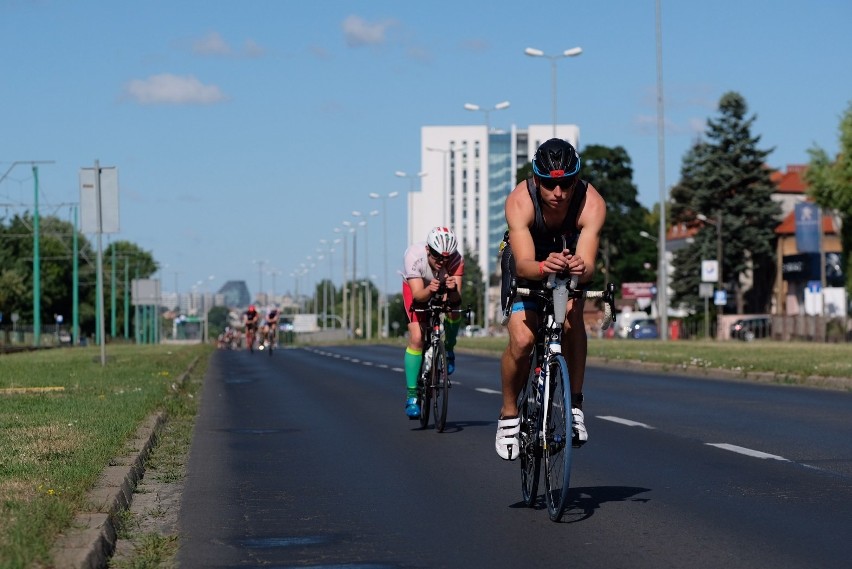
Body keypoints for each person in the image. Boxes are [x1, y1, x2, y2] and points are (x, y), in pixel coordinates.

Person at [495, 138, 606, 460]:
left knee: (572, 318)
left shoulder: (592, 203)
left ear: (576, 179)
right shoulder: (520, 200)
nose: (558, 193)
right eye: (548, 184)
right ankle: (509, 413)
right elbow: (525, 263)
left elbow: (587, 268)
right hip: (527, 259)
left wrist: (578, 267)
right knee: (523, 340)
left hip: (568, 254)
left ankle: (574, 406)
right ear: (535, 179)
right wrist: (544, 266)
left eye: (566, 184)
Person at [401, 226, 465, 419]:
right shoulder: (414, 255)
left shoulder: (456, 260)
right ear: (429, 250)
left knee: (454, 312)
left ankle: (450, 349)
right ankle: (412, 395)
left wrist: (452, 290)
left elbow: (456, 300)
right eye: (437, 256)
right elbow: (418, 296)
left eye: (446, 258)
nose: (442, 261)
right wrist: (430, 291)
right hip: (417, 287)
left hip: (440, 286)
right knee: (417, 336)